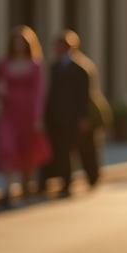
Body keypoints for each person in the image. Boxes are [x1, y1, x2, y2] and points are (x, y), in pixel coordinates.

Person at [0, 26, 47, 207]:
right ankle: (7, 190)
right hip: (9, 113)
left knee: (27, 150)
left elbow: (39, 92)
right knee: (8, 148)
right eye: (16, 41)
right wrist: (2, 94)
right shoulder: (3, 63)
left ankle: (27, 186)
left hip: (28, 113)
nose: (18, 45)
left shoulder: (35, 65)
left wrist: (38, 116)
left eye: (22, 42)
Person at [42, 30, 106, 195]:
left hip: (77, 118)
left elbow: (85, 96)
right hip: (60, 118)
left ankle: (92, 177)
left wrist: (84, 118)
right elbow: (52, 93)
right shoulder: (55, 67)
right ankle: (65, 182)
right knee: (63, 152)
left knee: (86, 150)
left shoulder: (81, 68)